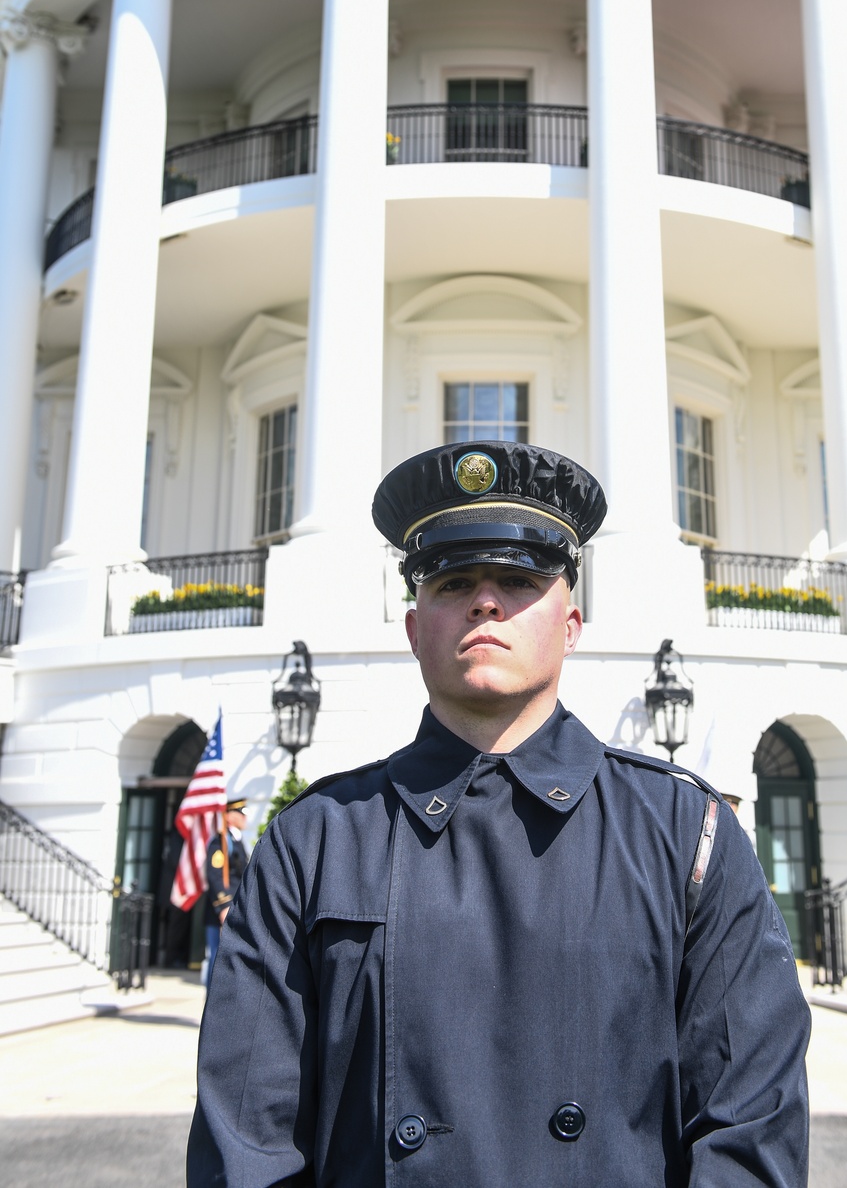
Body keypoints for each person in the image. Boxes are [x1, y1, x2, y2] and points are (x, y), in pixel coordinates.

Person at [188, 441, 810, 1186]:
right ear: (416, 631)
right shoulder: (313, 843)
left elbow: (750, 1136)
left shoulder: (688, 834)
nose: (486, 601)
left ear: (572, 624)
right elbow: (247, 1146)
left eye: (518, 579)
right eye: (452, 581)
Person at [202, 796, 249, 989]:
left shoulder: (236, 841)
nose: (245, 818)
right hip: (220, 913)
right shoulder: (220, 842)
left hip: (234, 911)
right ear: (229, 815)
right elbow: (215, 876)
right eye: (241, 813)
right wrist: (223, 906)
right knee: (217, 958)